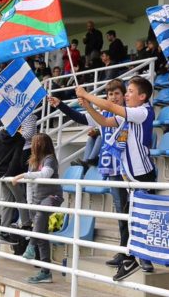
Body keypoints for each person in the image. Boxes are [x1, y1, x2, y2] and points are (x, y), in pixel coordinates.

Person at [76, 76, 157, 280]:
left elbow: (111, 107)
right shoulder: (129, 114)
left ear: (142, 96)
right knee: (130, 218)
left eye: (130, 91)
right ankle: (131, 260)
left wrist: (87, 94)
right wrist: (88, 105)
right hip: (130, 176)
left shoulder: (142, 111)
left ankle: (141, 259)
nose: (126, 95)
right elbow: (103, 120)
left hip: (143, 175)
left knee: (139, 220)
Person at [49, 80, 129, 268]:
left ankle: (135, 252)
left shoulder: (129, 112)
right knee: (121, 212)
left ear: (124, 95)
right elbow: (81, 118)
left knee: (130, 211)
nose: (113, 97)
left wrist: (86, 96)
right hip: (112, 169)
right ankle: (124, 249)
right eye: (110, 95)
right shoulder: (103, 114)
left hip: (129, 169)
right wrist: (60, 105)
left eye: (117, 93)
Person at [11, 134, 63, 284]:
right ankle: (45, 272)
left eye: (35, 143)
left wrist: (22, 175)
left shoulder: (50, 159)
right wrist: (29, 203)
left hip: (51, 197)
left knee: (41, 214)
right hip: (36, 199)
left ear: (41, 145)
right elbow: (29, 183)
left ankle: (30, 245)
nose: (32, 145)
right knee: (41, 235)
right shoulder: (33, 161)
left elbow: (46, 174)